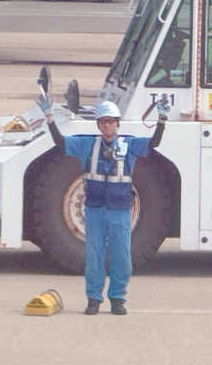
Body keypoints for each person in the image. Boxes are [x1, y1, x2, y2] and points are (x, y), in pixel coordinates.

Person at [39, 96, 169, 315]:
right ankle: (93, 299)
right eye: (103, 122)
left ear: (118, 123)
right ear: (98, 125)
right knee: (94, 258)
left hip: (120, 213)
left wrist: (162, 119)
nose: (107, 125)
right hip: (95, 211)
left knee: (122, 259)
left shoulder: (129, 145)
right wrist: (49, 117)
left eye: (111, 121)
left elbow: (154, 143)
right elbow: (60, 142)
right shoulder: (87, 144)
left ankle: (117, 299)